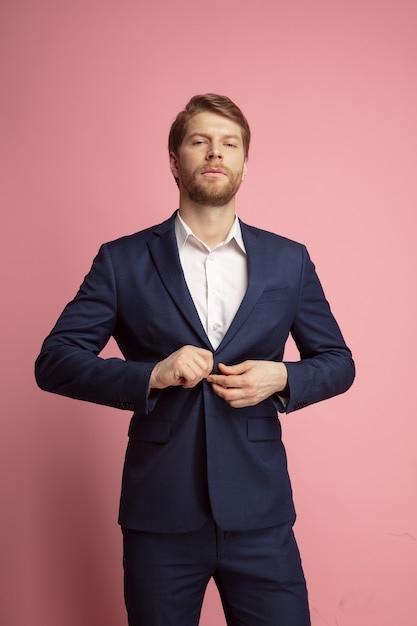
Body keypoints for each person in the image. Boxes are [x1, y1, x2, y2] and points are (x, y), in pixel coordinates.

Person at [35, 93, 355, 626]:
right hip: (159, 517)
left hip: (261, 519)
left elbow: (338, 361)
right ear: (174, 159)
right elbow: (54, 361)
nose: (215, 153)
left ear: (245, 163)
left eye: (230, 144)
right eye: (199, 141)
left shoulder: (288, 260)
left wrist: (282, 377)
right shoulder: (122, 260)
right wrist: (152, 375)